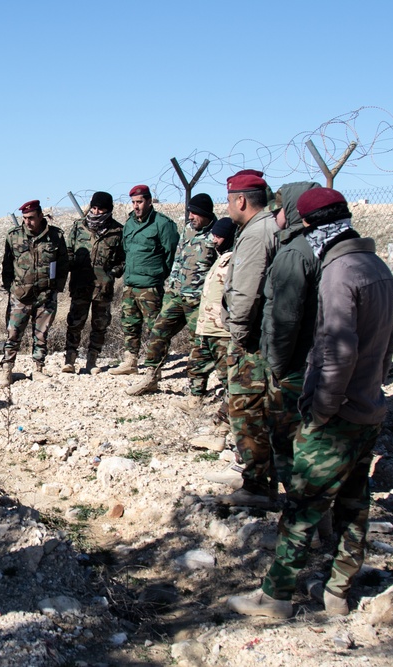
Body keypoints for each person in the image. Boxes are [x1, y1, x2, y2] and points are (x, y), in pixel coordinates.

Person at [228, 187, 393, 619]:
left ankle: (276, 597)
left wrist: (320, 412)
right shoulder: (376, 266)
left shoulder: (339, 274)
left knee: (303, 506)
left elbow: (337, 351)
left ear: (312, 225)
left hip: (338, 413)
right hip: (368, 408)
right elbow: (386, 346)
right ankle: (338, 593)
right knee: (354, 505)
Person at [216, 170, 280, 508]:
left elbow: (245, 290)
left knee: (247, 411)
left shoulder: (256, 233)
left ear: (241, 200)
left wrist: (237, 336)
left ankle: (256, 487)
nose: (227, 206)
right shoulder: (267, 227)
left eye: (228, 199)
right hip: (264, 335)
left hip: (251, 340)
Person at [261, 181, 321, 490]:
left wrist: (276, 365)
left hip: (293, 366)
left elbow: (285, 320)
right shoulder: (316, 248)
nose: (276, 214)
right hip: (313, 361)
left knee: (285, 437)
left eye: (281, 208)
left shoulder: (295, 255)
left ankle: (292, 501)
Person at [126, 193, 217, 394]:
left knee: (200, 344)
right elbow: (176, 259)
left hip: (198, 300)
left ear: (206, 214)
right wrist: (170, 286)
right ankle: (151, 376)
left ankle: (199, 390)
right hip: (175, 295)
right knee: (158, 332)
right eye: (190, 212)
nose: (191, 216)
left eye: (195, 213)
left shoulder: (217, 235)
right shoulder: (188, 230)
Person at [109, 185, 180, 375]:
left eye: (139, 202)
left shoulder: (162, 224)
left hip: (150, 286)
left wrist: (158, 274)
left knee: (155, 328)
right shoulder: (130, 224)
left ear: (149, 201)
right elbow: (127, 251)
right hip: (130, 284)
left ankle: (154, 366)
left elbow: (171, 255)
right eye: (133, 202)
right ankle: (130, 361)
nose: (136, 206)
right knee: (129, 325)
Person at [0, 200, 69, 387]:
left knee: (41, 335)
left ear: (40, 216)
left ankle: (38, 369)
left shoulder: (55, 236)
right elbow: (7, 265)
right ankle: (7, 370)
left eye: (31, 218)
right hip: (20, 296)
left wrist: (56, 289)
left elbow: (63, 264)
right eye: (24, 218)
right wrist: (10, 288)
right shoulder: (14, 236)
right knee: (13, 334)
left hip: (45, 296)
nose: (27, 222)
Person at [187, 217, 236, 451]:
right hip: (207, 326)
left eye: (219, 236)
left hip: (222, 330)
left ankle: (225, 428)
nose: (214, 239)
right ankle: (195, 399)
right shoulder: (221, 259)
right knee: (196, 362)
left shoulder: (235, 260)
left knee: (230, 379)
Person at [62, 191, 124, 375]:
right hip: (81, 285)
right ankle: (70, 360)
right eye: (94, 208)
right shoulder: (78, 227)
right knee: (74, 323)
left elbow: (122, 260)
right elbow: (68, 252)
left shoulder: (117, 232)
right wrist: (71, 264)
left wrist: (111, 274)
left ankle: (92, 360)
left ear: (108, 210)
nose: (96, 212)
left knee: (100, 325)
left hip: (103, 289)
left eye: (100, 209)